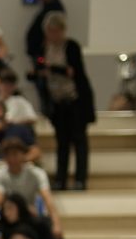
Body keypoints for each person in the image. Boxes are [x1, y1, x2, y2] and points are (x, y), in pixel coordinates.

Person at [35, 13, 95, 190]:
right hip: (57, 102)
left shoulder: (71, 47)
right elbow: (40, 67)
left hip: (75, 100)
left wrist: (51, 69)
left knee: (79, 141)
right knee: (62, 142)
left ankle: (80, 179)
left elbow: (73, 71)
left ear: (62, 30)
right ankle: (60, 179)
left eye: (55, 31)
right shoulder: (44, 48)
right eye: (49, 32)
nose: (52, 35)